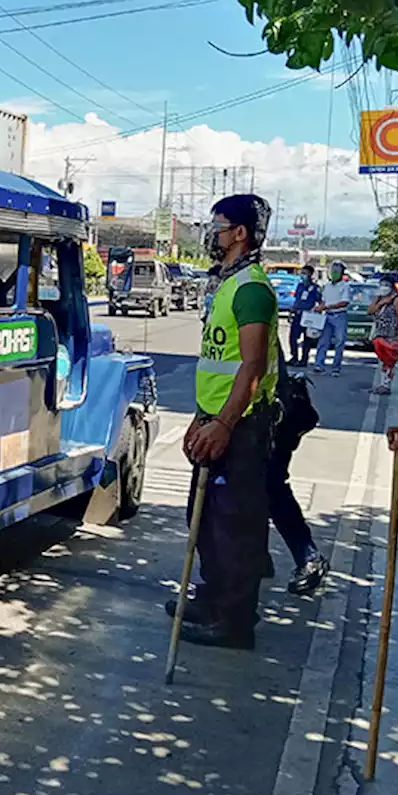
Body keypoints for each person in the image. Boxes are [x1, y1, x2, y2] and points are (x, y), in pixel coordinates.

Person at [172, 193, 279, 650]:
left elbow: (251, 367)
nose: (211, 234)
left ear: (240, 233)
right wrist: (202, 419)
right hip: (215, 420)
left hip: (241, 428)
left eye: (218, 225)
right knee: (207, 522)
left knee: (235, 526)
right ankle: (212, 598)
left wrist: (224, 424)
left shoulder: (251, 289)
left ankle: (234, 622)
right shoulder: (226, 284)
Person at [268, 347, 329, 594]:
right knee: (252, 491)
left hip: (267, 421)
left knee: (272, 488)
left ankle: (308, 557)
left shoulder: (249, 311)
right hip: (258, 421)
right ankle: (251, 560)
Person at [313, 261, 351, 376]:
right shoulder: (327, 286)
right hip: (327, 316)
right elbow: (324, 301)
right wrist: (319, 308)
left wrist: (328, 306)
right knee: (323, 341)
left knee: (339, 342)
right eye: (332, 271)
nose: (334, 274)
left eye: (336, 272)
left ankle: (336, 367)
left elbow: (344, 302)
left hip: (339, 316)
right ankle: (319, 364)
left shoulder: (345, 286)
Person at [368, 278, 398, 395]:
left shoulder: (396, 300)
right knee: (381, 359)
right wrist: (381, 303)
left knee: (388, 360)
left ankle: (386, 384)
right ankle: (382, 383)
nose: (383, 287)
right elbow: (370, 311)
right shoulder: (378, 298)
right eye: (382, 285)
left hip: (391, 334)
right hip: (379, 333)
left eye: (386, 285)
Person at [288, 265, 322, 367]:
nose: (302, 275)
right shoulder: (300, 286)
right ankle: (294, 357)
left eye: (304, 273)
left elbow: (320, 301)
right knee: (292, 337)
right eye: (301, 273)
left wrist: (317, 312)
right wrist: (292, 311)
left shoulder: (315, 288)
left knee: (307, 339)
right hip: (298, 314)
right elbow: (297, 300)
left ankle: (304, 360)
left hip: (308, 316)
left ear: (310, 275)